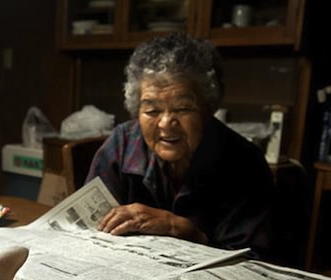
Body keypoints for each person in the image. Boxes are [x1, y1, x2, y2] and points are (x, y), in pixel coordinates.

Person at [85, 33, 275, 257]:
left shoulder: (243, 161)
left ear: (208, 108)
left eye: (183, 109)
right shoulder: (122, 143)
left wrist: (185, 231)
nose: (166, 124)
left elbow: (253, 261)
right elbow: (88, 229)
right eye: (152, 111)